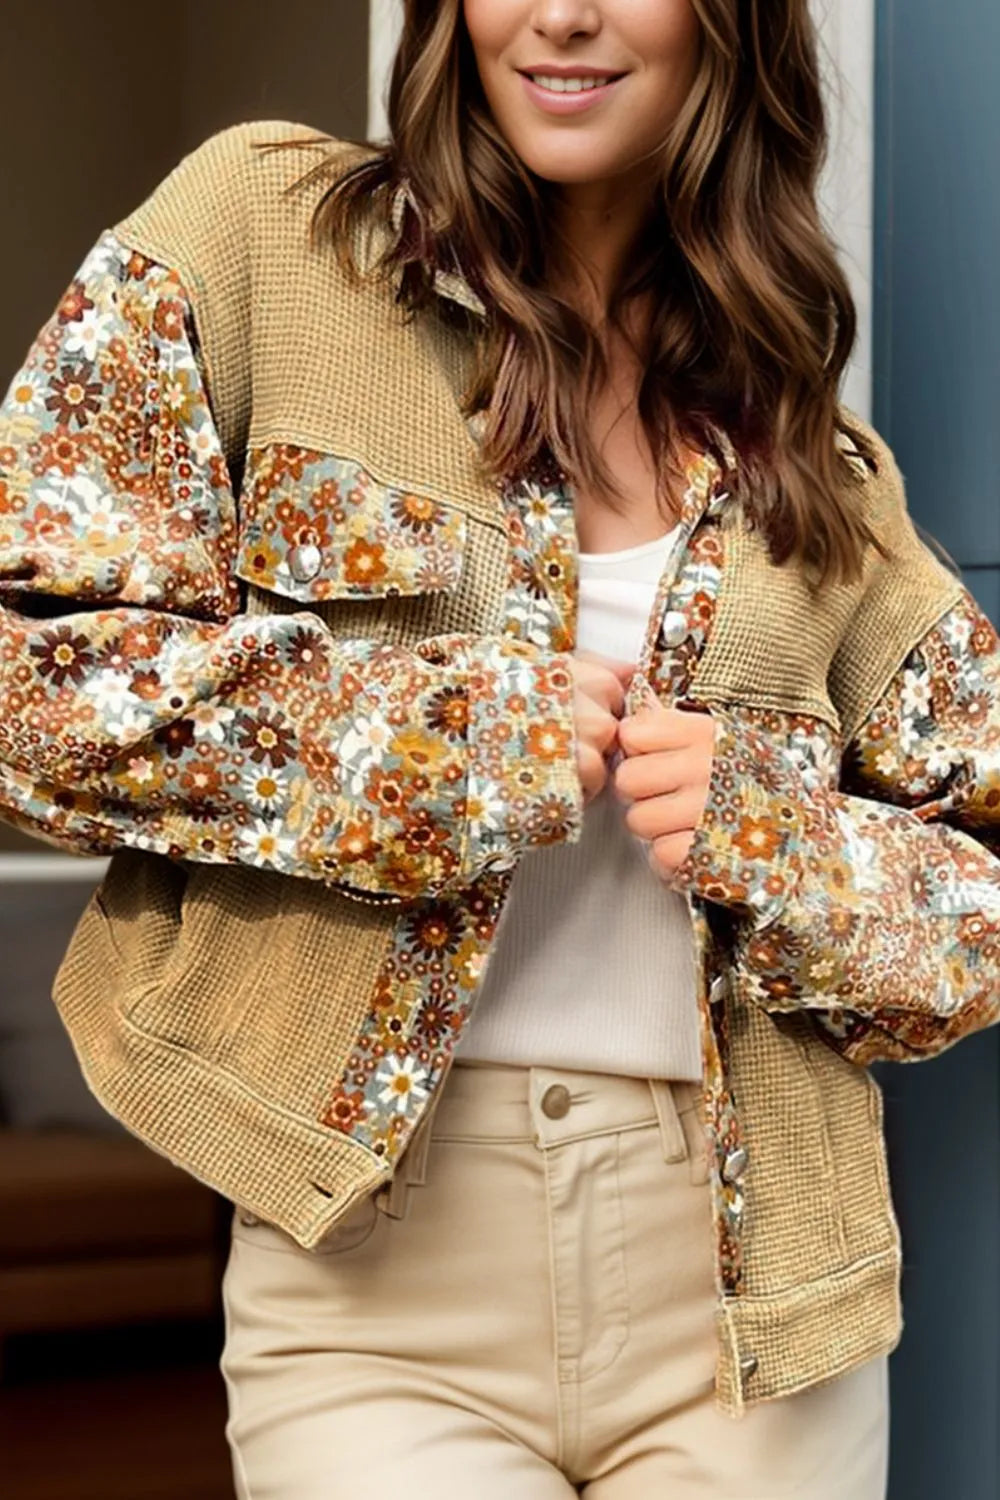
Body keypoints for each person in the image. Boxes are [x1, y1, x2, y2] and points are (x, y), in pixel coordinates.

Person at [0, 1, 997, 1495]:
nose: (565, 11)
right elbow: (32, 682)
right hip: (374, 1280)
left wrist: (778, 836)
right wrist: (437, 742)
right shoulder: (258, 234)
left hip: (754, 1308)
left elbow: (981, 899)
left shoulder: (817, 465)